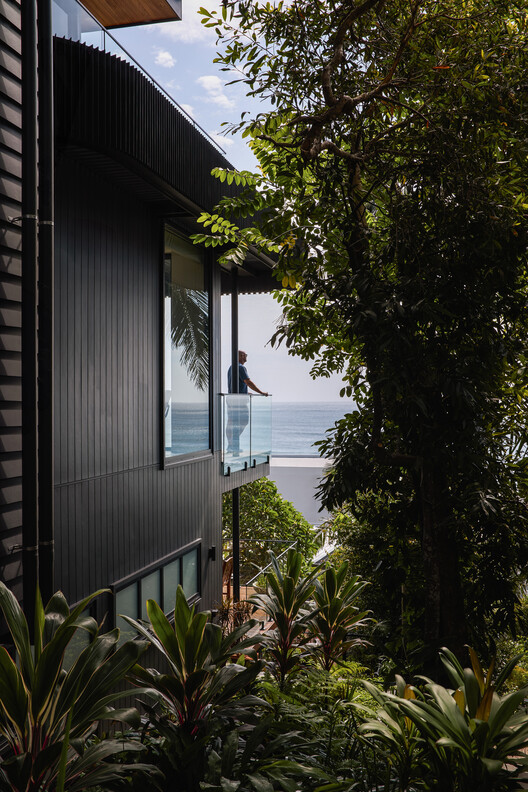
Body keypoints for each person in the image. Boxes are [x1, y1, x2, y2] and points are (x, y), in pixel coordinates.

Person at [226, 350, 268, 454]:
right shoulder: (240, 367)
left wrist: (245, 392)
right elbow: (247, 382)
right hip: (238, 401)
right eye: (245, 355)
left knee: (231, 422)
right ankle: (233, 444)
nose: (246, 357)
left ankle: (230, 445)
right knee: (244, 420)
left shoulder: (231, 367)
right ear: (240, 356)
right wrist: (261, 392)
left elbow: (237, 384)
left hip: (231, 399)